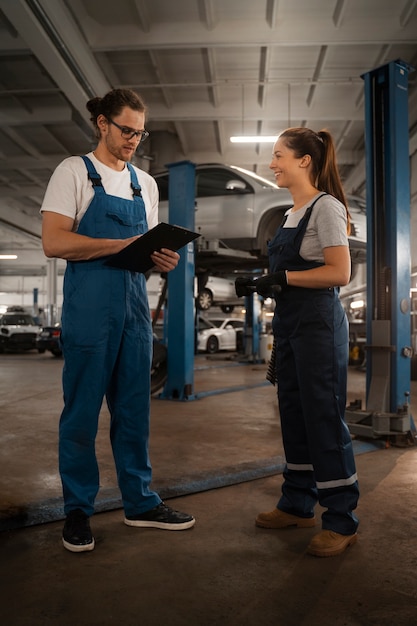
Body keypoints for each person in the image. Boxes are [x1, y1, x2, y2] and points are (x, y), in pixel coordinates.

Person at [41, 88, 195, 552]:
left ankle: (140, 502)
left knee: (133, 410)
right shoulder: (73, 172)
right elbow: (54, 242)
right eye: (126, 129)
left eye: (140, 133)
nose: (133, 139)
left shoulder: (142, 184)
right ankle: (77, 511)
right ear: (102, 124)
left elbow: (141, 252)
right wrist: (121, 247)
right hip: (88, 308)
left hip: (133, 308)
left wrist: (159, 258)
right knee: (82, 412)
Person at [236, 127, 359, 557]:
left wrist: (282, 277)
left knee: (323, 417)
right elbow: (289, 275)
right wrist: (262, 283)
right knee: (293, 413)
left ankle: (341, 519)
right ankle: (297, 502)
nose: (272, 165)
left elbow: (340, 273)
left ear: (303, 160)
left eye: (278, 156)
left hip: (318, 326)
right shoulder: (291, 214)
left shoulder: (326, 207)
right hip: (290, 326)